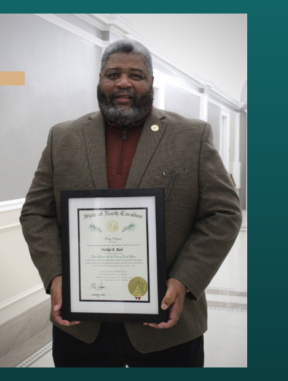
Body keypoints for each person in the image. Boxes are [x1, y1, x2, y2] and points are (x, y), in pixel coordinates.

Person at [19, 39, 242, 367]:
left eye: (135, 75)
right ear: (99, 80)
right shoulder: (63, 137)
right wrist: (55, 276)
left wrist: (184, 280)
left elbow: (223, 213)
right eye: (113, 74)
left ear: (151, 83)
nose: (123, 82)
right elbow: (36, 212)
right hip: (81, 328)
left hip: (166, 325)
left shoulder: (191, 136)